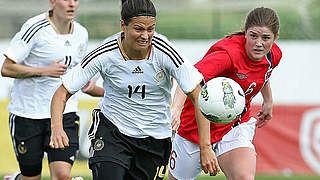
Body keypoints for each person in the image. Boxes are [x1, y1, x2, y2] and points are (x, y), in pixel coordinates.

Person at [49, 0, 220, 179]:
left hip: (155, 138)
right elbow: (62, 92)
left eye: (150, 29)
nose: (145, 36)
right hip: (113, 131)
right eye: (138, 29)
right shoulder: (105, 54)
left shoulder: (165, 51)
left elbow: (198, 94)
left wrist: (205, 147)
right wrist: (57, 128)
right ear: (123, 25)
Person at [168, 7, 282, 180]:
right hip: (194, 127)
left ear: (275, 37)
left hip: (234, 125)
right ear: (245, 33)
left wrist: (268, 100)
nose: (259, 43)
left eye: (266, 38)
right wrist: (176, 108)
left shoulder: (273, 55)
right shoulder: (228, 55)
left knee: (244, 177)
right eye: (253, 36)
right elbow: (189, 78)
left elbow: (263, 73)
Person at [1, 0, 102, 180]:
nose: (72, 4)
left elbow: (78, 73)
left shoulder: (81, 33)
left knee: (62, 175)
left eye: (76, 0)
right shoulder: (35, 28)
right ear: (53, 2)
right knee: (31, 177)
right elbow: (7, 68)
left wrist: (89, 85)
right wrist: (43, 71)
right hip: (28, 114)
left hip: (65, 112)